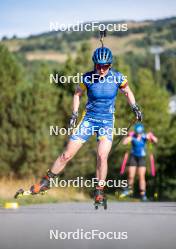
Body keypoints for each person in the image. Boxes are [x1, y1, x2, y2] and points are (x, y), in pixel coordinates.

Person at [28, 46, 143, 203]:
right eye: (98, 66)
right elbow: (77, 94)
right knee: (67, 154)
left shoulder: (118, 77)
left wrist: (135, 107)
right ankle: (46, 181)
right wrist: (74, 113)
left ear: (110, 65)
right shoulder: (87, 78)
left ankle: (99, 191)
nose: (101, 69)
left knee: (102, 156)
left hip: (107, 121)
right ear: (94, 64)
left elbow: (128, 92)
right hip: (89, 119)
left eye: (105, 66)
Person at [120, 123, 158, 201]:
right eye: (137, 132)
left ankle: (143, 194)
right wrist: (128, 136)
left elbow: (155, 141)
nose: (138, 134)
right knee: (131, 175)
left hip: (141, 158)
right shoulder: (132, 136)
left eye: (140, 132)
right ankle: (129, 190)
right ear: (135, 132)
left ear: (142, 131)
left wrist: (152, 136)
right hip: (133, 157)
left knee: (141, 176)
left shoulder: (144, 136)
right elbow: (124, 143)